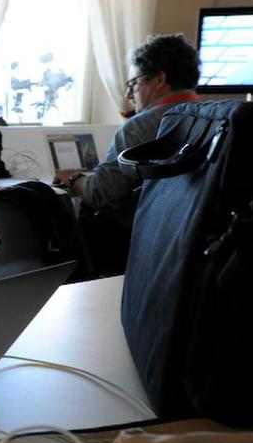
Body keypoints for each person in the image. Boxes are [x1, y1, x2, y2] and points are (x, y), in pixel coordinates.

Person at [53, 33, 200, 272]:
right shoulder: (217, 118)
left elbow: (103, 193)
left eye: (133, 83)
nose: (129, 94)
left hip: (136, 244)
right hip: (192, 243)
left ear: (160, 79)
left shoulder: (139, 127)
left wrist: (74, 179)